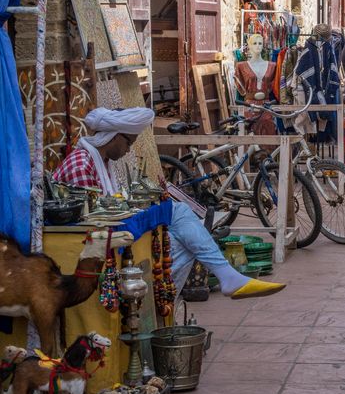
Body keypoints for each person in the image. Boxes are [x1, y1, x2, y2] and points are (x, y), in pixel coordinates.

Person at [52, 108, 285, 300]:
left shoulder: (101, 162)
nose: (128, 149)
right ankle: (222, 277)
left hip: (108, 237)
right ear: (114, 137)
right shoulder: (82, 164)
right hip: (93, 246)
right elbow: (94, 218)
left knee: (183, 231)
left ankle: (213, 281)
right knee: (182, 226)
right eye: (129, 142)